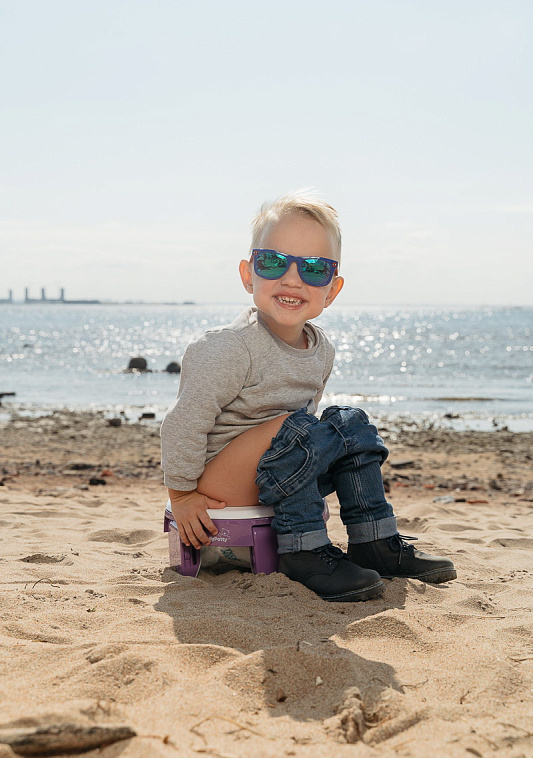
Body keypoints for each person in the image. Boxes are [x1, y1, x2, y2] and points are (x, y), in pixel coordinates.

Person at [161, 191, 457, 602]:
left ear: (332, 290)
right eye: (273, 262)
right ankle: (304, 553)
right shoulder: (229, 347)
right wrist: (181, 495)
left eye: (314, 269)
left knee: (350, 424)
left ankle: (374, 541)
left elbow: (309, 438)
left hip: (277, 469)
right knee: (299, 427)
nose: (292, 279)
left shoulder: (321, 350)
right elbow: (183, 423)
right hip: (219, 485)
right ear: (248, 275)